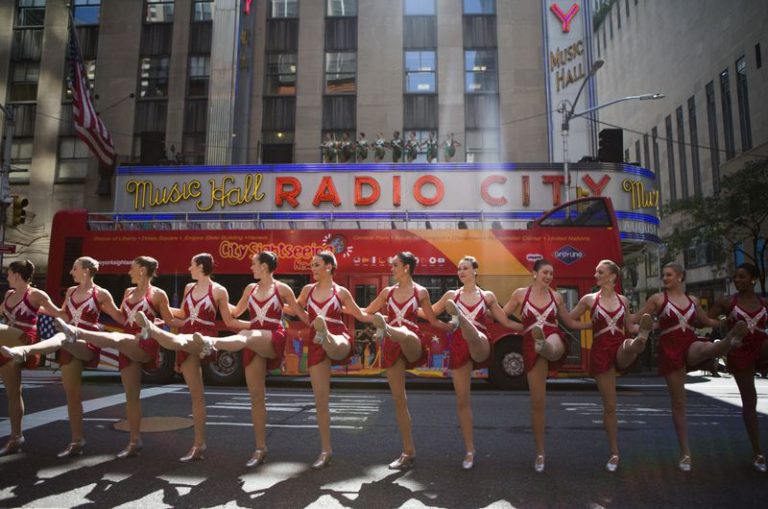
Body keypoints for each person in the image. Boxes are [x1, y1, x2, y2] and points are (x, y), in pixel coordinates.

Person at [192, 251, 308, 468]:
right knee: (256, 397)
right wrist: (217, 298)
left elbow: (301, 315)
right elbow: (235, 313)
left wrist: (325, 327)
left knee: (248, 335)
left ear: (264, 266)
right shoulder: (250, 289)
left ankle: (212, 344)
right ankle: (260, 448)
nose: (250, 268)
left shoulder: (282, 289)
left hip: (273, 337)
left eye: (253, 264)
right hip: (253, 341)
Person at [54, 256, 178, 459]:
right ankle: (134, 441)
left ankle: (77, 333)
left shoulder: (158, 294)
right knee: (131, 396)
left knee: (117, 339)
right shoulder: (128, 292)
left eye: (132, 268)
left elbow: (169, 320)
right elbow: (121, 317)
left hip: (143, 342)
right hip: (128, 343)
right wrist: (102, 309)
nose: (128, 271)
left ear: (143, 270)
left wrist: (193, 322)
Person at [1, 257, 124, 458]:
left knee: (64, 338)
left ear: (85, 271)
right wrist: (38, 309)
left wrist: (145, 319)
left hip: (86, 343)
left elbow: (119, 317)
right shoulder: (70, 292)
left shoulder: (101, 294)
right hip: (65, 342)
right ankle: (77, 441)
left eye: (74, 268)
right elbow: (63, 316)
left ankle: (34, 348)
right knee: (71, 393)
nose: (70, 272)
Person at [635, 261, 747, 472]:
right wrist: (630, 321)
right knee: (679, 403)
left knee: (704, 349)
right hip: (670, 350)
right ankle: (685, 452)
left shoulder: (693, 300)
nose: (664, 278)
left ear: (680, 276)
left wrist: (725, 323)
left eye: (668, 275)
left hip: (689, 342)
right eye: (664, 275)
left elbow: (706, 321)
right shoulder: (657, 299)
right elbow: (637, 318)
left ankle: (728, 342)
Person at [132, 253, 245, 462]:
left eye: (191, 265)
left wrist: (255, 325)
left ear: (201, 267)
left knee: (190, 340)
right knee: (196, 395)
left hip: (205, 335)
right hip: (187, 334)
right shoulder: (188, 288)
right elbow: (183, 314)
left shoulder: (219, 291)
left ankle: (202, 346)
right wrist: (161, 308)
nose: (188, 268)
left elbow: (229, 320)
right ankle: (198, 445)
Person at [430, 256, 523, 469]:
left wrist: (527, 327)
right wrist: (395, 316)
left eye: (465, 268)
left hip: (481, 344)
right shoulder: (452, 295)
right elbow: (430, 312)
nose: (461, 272)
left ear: (475, 271)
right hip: (459, 347)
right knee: (462, 401)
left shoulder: (487, 296)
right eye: (459, 269)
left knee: (476, 337)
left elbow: (506, 321)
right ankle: (470, 450)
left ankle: (461, 319)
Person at [502, 259, 590, 473]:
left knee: (552, 344)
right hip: (531, 342)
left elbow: (569, 322)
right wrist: (523, 328)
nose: (549, 276)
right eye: (545, 272)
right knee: (538, 402)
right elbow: (503, 317)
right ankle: (540, 452)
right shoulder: (520, 294)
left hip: (552, 335)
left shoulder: (556, 296)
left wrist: (594, 324)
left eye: (551, 273)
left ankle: (545, 346)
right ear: (535, 274)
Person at [366, 252, 452, 469]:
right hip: (392, 346)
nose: (391, 268)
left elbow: (433, 320)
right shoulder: (387, 292)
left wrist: (452, 326)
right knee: (399, 400)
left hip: (412, 343)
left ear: (406, 267)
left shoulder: (420, 292)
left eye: (395, 265)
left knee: (406, 333)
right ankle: (408, 451)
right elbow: (366, 312)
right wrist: (339, 308)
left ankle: (386, 328)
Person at [566, 260, 653, 472]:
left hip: (620, 346)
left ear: (612, 276)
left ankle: (641, 339)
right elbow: (569, 321)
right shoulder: (589, 299)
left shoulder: (623, 300)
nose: (595, 274)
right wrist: (589, 325)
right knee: (610, 406)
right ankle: (614, 452)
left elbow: (628, 325)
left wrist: (641, 325)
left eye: (600, 271)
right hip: (601, 351)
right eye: (596, 271)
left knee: (628, 345)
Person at [294, 251, 373, 469]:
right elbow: (296, 307)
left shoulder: (341, 292)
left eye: (316, 264)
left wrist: (382, 319)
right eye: (312, 264)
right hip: (316, 338)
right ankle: (326, 450)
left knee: (333, 340)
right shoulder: (307, 290)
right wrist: (305, 319)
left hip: (338, 336)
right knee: (321, 400)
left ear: (329, 267)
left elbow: (361, 315)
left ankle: (325, 333)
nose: (313, 268)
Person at [707, 262, 767, 473]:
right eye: (735, 277)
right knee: (750, 401)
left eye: (742, 276)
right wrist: (723, 326)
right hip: (740, 352)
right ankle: (757, 451)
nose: (737, 280)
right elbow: (705, 319)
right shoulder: (728, 302)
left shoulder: (764, 303)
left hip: (762, 349)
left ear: (753, 278)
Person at [0, 260, 61, 456]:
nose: (7, 277)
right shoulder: (9, 294)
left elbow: (58, 313)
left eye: (8, 274)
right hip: (8, 344)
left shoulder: (35, 294)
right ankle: (16, 438)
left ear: (17, 274)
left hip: (25, 339)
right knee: (13, 392)